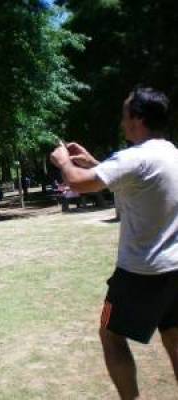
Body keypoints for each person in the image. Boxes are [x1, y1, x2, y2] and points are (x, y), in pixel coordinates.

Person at [50, 87, 178, 399]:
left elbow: (79, 184)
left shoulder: (135, 157)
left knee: (110, 334)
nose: (122, 123)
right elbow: (137, 185)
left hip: (140, 273)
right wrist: (94, 161)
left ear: (137, 119)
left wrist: (64, 162)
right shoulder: (171, 154)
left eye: (124, 116)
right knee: (174, 337)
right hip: (175, 269)